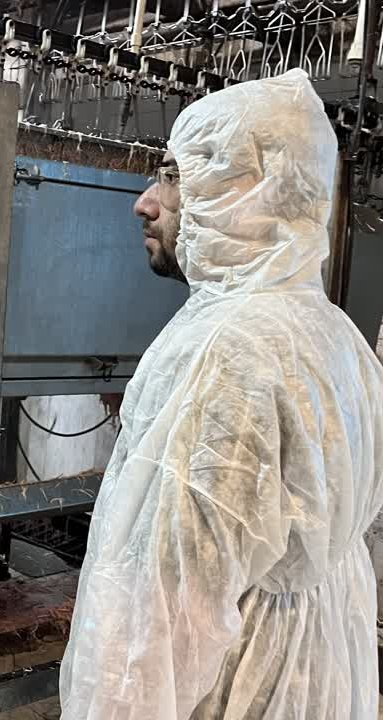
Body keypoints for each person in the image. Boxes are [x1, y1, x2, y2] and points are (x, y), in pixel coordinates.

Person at [58, 68, 383, 719]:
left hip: (235, 691)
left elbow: (155, 621)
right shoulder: (335, 334)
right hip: (316, 679)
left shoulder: (225, 354)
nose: (145, 202)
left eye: (175, 177)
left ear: (250, 189)